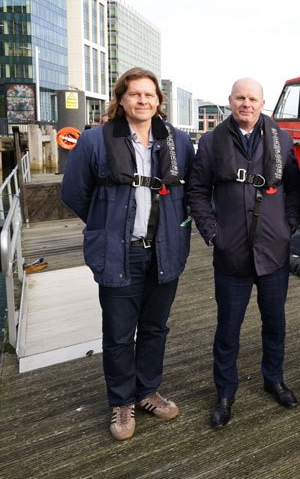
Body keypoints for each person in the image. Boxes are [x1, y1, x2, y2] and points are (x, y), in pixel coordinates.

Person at [61, 67, 194, 441]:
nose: (143, 100)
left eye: (149, 95)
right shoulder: (94, 142)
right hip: (119, 254)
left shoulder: (178, 142)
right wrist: (106, 223)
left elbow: (190, 190)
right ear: (121, 99)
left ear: (158, 101)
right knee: (119, 334)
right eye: (135, 94)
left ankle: (148, 390)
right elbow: (73, 192)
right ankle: (121, 402)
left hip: (164, 252)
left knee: (155, 327)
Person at [187, 78, 300, 429]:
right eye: (240, 98)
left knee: (276, 323)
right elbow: (196, 192)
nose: (246, 104)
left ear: (263, 102)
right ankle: (225, 391)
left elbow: (294, 188)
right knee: (228, 328)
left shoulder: (281, 139)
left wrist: (288, 225)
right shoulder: (210, 142)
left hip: (273, 252)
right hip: (231, 254)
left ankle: (274, 378)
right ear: (230, 101)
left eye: (253, 99)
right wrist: (212, 232)